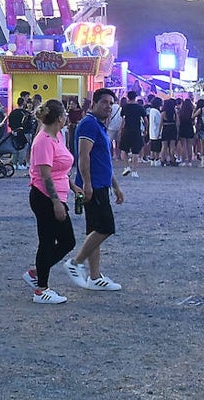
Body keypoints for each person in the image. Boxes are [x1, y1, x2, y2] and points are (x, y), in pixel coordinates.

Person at [66, 88, 125, 292]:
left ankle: (95, 276)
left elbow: (103, 160)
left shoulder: (98, 125)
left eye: (111, 103)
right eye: (104, 103)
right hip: (94, 186)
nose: (108, 107)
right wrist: (87, 184)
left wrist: (116, 186)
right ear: (94, 104)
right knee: (105, 227)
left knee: (94, 231)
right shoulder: (89, 124)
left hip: (101, 184)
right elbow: (84, 156)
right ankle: (76, 262)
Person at [25, 99, 76, 304]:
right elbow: (45, 175)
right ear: (59, 118)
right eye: (64, 114)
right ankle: (41, 288)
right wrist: (56, 203)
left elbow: (59, 168)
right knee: (49, 241)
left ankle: (38, 273)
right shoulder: (43, 140)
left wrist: (72, 186)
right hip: (44, 196)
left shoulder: (58, 136)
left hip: (56, 194)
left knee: (64, 241)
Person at [117, 92, 145, 176]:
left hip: (126, 130)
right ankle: (134, 171)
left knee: (124, 149)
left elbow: (123, 119)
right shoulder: (140, 107)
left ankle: (126, 167)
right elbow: (145, 120)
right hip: (136, 131)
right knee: (135, 152)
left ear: (128, 97)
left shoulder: (125, 107)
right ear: (135, 97)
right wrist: (145, 129)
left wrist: (120, 130)